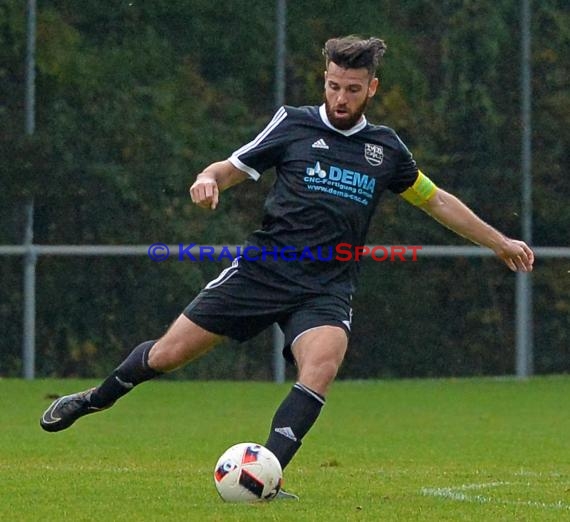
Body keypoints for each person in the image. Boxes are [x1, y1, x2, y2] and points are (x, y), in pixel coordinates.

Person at [40, 35, 534, 498]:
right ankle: (94, 399)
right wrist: (206, 179)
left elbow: (436, 201)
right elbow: (229, 167)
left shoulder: (385, 149)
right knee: (166, 356)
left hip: (327, 285)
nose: (341, 97)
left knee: (321, 366)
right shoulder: (294, 124)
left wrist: (498, 240)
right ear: (324, 79)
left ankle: (265, 477)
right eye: (334, 85)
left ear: (372, 89)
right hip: (262, 272)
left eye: (353, 90)